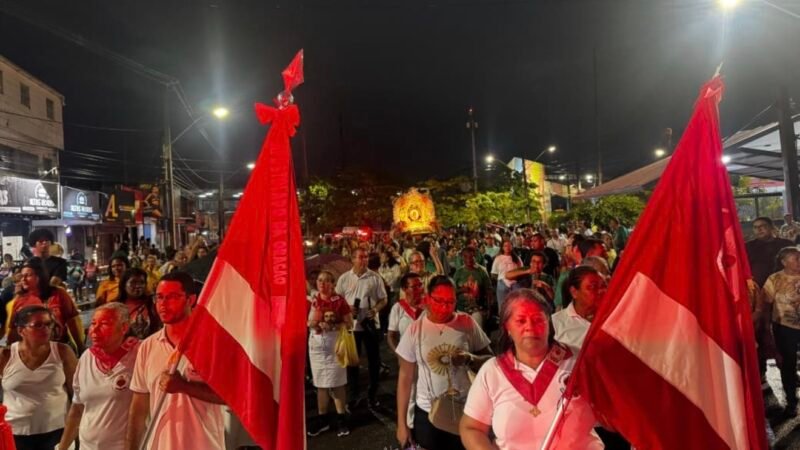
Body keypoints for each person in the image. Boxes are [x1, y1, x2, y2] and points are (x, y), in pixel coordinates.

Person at [460, 289, 603, 450]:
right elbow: (471, 427)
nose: (530, 327)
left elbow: (612, 414)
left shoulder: (579, 361)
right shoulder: (492, 372)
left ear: (549, 323)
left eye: (538, 320)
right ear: (507, 327)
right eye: (521, 321)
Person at [126, 271, 225, 450]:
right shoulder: (148, 346)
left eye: (172, 297)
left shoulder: (212, 341)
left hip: (203, 445)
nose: (163, 304)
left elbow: (230, 397)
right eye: (159, 297)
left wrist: (184, 386)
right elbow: (139, 405)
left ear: (191, 300)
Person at [395, 276, 493, 450]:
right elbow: (405, 379)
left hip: (465, 409)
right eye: (439, 301)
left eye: (450, 302)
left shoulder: (466, 322)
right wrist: (402, 424)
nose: (444, 307)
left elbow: (492, 362)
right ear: (427, 298)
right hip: (428, 412)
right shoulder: (415, 330)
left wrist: (470, 358)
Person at [58, 303, 139, 450]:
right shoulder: (87, 357)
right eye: (93, 323)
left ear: (124, 327)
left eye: (104, 324)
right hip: (87, 446)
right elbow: (77, 409)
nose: (94, 330)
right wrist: (63, 447)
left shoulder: (140, 354)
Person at [1, 305, 78, 450]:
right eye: (38, 325)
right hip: (16, 432)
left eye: (48, 324)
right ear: (21, 330)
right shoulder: (6, 356)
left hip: (58, 430)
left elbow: (77, 394)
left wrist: (76, 427)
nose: (46, 329)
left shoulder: (62, 352)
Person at [335, 247, 388, 408]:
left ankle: (373, 394)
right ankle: (353, 395)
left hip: (370, 325)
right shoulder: (344, 278)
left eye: (365, 257)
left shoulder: (375, 277)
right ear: (352, 259)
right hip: (352, 326)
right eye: (360, 257)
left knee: (374, 361)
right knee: (352, 362)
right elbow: (337, 300)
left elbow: (384, 299)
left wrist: (375, 309)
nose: (364, 260)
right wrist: (347, 309)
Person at [306, 271, 354, 437]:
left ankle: (341, 419)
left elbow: (349, 323)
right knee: (320, 384)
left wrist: (333, 326)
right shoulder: (313, 300)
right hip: (317, 347)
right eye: (320, 280)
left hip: (335, 345)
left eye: (327, 281)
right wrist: (314, 323)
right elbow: (307, 321)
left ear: (333, 284)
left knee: (337, 383)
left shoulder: (339, 301)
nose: (322, 283)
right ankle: (323, 419)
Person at [6, 260, 84, 352]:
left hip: (60, 349)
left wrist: (80, 347)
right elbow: (13, 331)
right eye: (22, 276)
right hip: (33, 353)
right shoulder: (20, 300)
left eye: (28, 275)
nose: (23, 279)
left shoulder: (59, 293)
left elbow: (72, 322)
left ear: (40, 276)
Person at [760, 247, 800, 416]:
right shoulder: (774, 279)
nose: (799, 261)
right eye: (795, 258)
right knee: (788, 364)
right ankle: (791, 402)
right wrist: (766, 327)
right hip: (784, 328)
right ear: (784, 262)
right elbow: (766, 305)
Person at [552, 266, 607, 353]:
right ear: (574, 292)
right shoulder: (556, 323)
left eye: (604, 286)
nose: (601, 291)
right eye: (593, 287)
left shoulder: (613, 318)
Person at [453, 247, 492, 329]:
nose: (469, 259)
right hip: (461, 309)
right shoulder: (458, 272)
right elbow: (453, 292)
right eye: (466, 256)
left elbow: (488, 290)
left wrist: (489, 308)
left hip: (478, 308)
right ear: (462, 258)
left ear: (475, 256)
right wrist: (462, 290)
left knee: (477, 331)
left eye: (471, 256)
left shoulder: (482, 271)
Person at [117, 268, 162, 339]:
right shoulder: (116, 307)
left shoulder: (153, 302)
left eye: (142, 282)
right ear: (124, 285)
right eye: (133, 282)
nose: (138, 286)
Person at [387, 273, 425, 352]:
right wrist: (399, 355)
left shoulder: (430, 305)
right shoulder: (397, 308)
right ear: (404, 289)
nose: (419, 289)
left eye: (421, 285)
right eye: (414, 287)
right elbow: (391, 336)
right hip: (407, 352)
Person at [491, 240, 522, 312]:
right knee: (503, 306)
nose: (507, 247)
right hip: (502, 283)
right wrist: (501, 280)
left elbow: (521, 271)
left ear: (512, 247)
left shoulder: (517, 258)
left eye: (509, 245)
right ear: (502, 247)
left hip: (515, 283)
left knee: (516, 306)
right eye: (505, 246)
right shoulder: (498, 258)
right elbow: (494, 273)